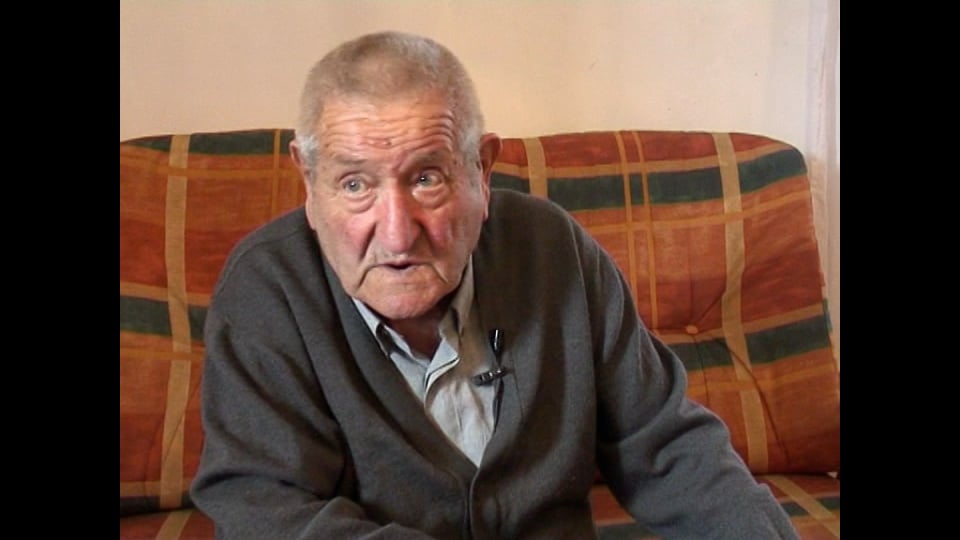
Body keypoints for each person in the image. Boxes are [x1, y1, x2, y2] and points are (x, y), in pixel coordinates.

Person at [190, 30, 800, 539]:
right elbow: (265, 510)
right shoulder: (266, 288)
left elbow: (666, 444)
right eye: (355, 185)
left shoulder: (553, 249)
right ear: (308, 179)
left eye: (426, 178)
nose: (397, 235)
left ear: (481, 170)